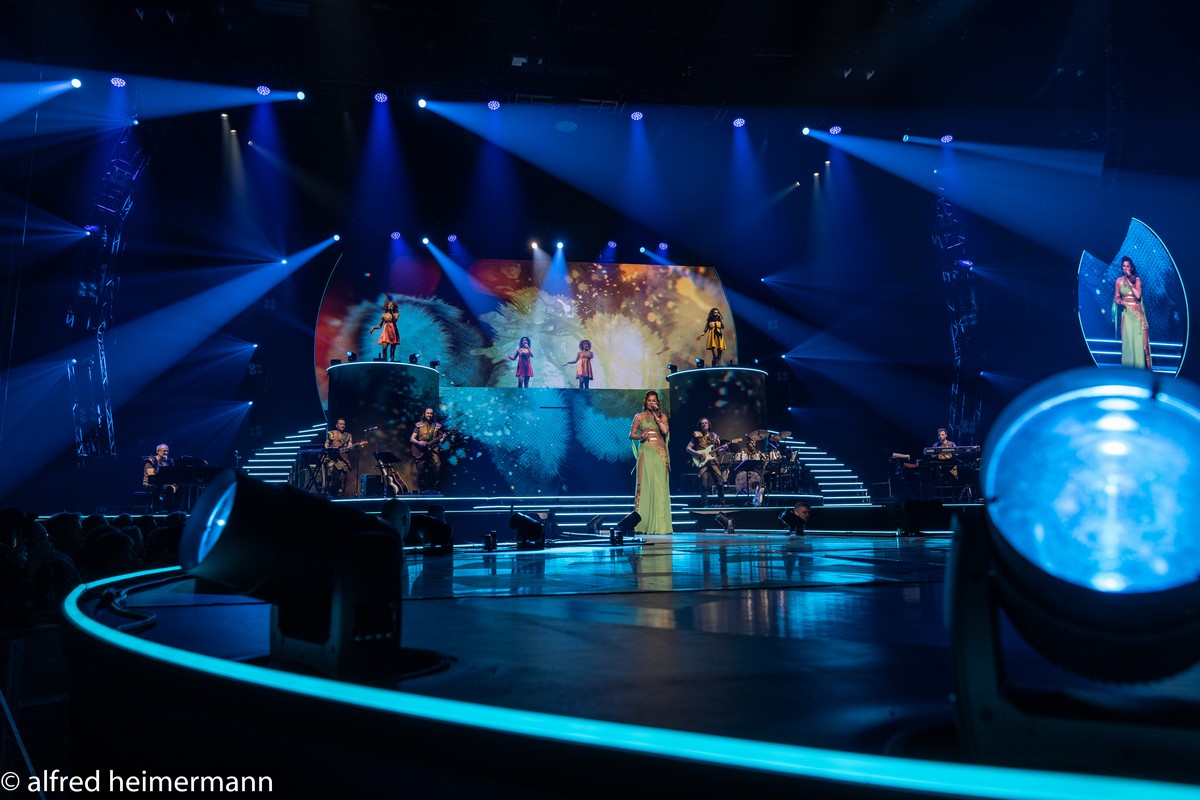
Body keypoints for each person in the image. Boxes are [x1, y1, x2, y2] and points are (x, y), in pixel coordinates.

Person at [628, 391, 672, 534]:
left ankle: (661, 525)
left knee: (659, 486)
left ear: (657, 403)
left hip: (660, 453)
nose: (651, 403)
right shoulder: (639, 417)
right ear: (645, 402)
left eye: (654, 400)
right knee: (645, 484)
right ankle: (642, 523)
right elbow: (631, 434)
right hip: (645, 451)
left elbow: (665, 430)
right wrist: (640, 436)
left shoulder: (662, 416)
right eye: (649, 401)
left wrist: (656, 415)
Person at [1114, 255, 1152, 370]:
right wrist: (1118, 300)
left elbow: (1138, 295)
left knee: (1139, 343)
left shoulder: (1137, 280)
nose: (1125, 268)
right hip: (1127, 314)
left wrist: (1130, 282)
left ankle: (1141, 369)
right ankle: (1128, 369)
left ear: (1131, 268)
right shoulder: (1118, 281)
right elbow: (1116, 296)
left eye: (1127, 266)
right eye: (1124, 266)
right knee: (1128, 342)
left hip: (1137, 316)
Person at [686, 418, 726, 507]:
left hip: (713, 462)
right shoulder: (697, 435)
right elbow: (688, 448)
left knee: (719, 483)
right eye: (702, 423)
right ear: (700, 425)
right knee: (704, 485)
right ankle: (705, 505)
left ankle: (722, 503)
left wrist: (724, 449)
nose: (704, 424)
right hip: (702, 463)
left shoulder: (714, 436)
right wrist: (698, 453)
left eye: (706, 423)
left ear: (709, 424)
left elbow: (717, 453)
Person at [410, 407, 445, 494]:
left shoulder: (437, 426)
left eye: (431, 413)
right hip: (421, 451)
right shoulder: (419, 425)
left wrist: (444, 437)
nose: (429, 415)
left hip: (433, 451)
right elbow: (412, 439)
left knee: (437, 470)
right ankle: (422, 491)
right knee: (420, 471)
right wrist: (419, 443)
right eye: (428, 413)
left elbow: (441, 440)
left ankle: (436, 491)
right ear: (424, 414)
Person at [324, 418, 356, 498]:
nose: (342, 425)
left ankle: (339, 495)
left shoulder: (348, 435)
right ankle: (329, 494)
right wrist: (327, 448)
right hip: (332, 458)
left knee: (342, 478)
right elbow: (327, 443)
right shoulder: (332, 433)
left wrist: (351, 447)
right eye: (341, 424)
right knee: (331, 477)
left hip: (343, 459)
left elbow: (350, 446)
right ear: (337, 425)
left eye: (344, 424)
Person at [142, 443, 177, 512]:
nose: (166, 453)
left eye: (167, 451)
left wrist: (174, 485)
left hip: (165, 484)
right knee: (162, 488)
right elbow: (152, 477)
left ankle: (175, 510)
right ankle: (158, 510)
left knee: (178, 487)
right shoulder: (150, 462)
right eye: (164, 451)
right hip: (150, 484)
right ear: (157, 451)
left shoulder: (169, 462)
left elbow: (173, 475)